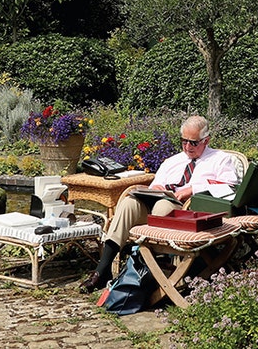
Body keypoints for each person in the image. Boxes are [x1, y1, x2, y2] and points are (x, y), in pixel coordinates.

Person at [80, 115, 240, 293]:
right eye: (183, 141)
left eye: (193, 143)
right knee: (128, 204)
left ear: (206, 140)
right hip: (158, 200)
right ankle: (102, 271)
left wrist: (193, 189)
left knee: (162, 206)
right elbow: (157, 183)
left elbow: (230, 186)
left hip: (185, 209)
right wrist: (155, 188)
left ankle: (151, 271)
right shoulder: (172, 161)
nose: (187, 147)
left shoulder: (220, 159)